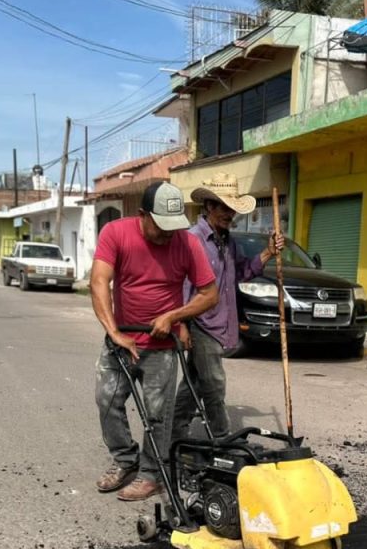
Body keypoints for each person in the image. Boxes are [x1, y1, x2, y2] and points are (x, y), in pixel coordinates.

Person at [91, 181, 218, 502]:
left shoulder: (187, 244)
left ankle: (151, 474)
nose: (167, 234)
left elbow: (209, 294)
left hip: (162, 348)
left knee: (158, 415)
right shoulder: (116, 233)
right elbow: (99, 282)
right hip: (121, 341)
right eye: (161, 225)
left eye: (173, 227)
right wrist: (115, 332)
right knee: (107, 400)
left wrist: (174, 317)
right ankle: (125, 459)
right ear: (142, 215)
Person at [171, 173, 284, 442]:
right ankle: (222, 439)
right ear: (208, 206)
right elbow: (183, 286)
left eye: (232, 209)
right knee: (214, 382)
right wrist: (182, 326)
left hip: (218, 322)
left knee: (196, 382)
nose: (228, 214)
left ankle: (172, 434)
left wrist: (268, 252)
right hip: (200, 322)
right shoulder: (192, 239)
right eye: (223, 207)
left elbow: (241, 272)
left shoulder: (227, 241)